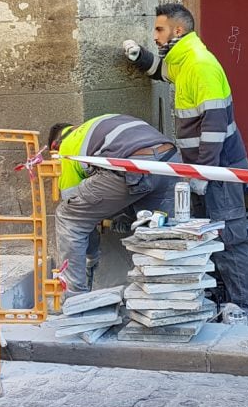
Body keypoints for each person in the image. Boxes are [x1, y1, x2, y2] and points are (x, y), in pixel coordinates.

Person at [121, 3, 248, 318]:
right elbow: (161, 71)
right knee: (205, 234)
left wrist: (203, 174)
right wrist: (140, 57)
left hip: (219, 166)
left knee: (231, 234)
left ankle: (247, 307)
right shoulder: (183, 60)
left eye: (159, 30)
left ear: (178, 30)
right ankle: (219, 301)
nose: (155, 36)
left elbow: (213, 128)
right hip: (203, 166)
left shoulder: (199, 64)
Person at [48, 114, 179, 294]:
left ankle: (74, 297)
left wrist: (91, 255)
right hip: (171, 161)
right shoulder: (99, 125)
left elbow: (76, 208)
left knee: (68, 218)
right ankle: (166, 294)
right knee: (157, 230)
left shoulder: (66, 149)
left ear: (55, 147)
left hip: (132, 165)